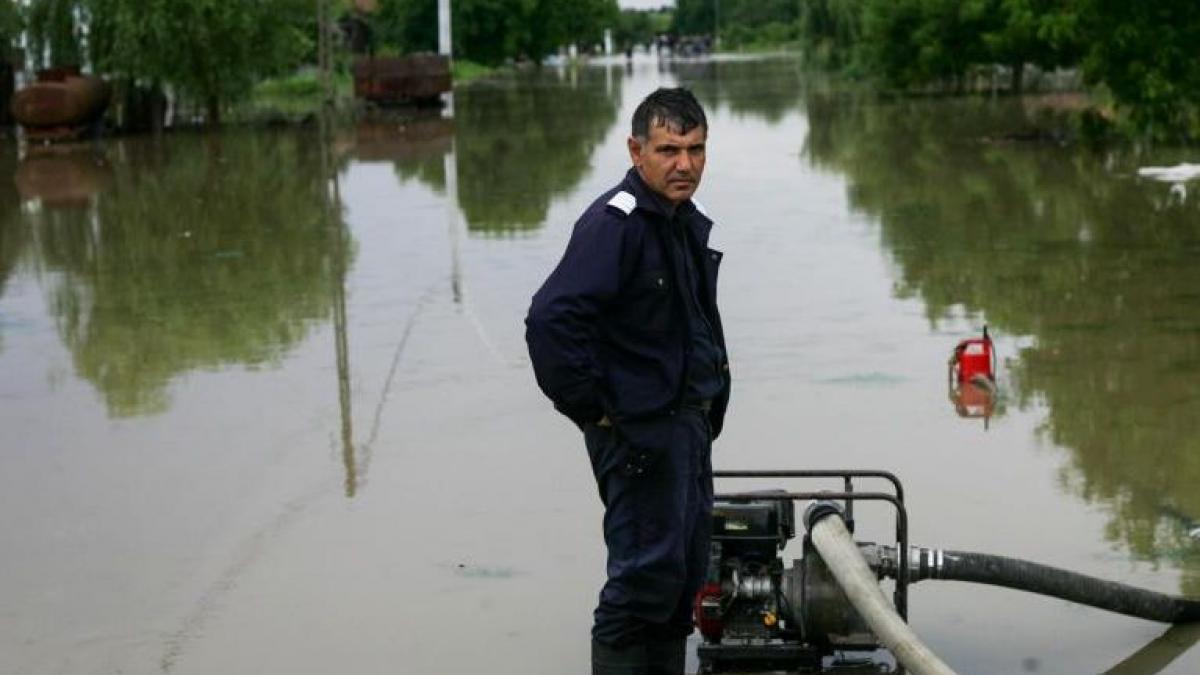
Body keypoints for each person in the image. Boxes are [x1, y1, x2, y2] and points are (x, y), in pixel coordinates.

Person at [525, 88, 731, 675]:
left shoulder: (675, 220)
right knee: (640, 583)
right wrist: (596, 410)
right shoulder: (614, 223)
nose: (684, 164)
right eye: (669, 150)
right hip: (639, 436)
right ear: (635, 150)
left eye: (695, 149)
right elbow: (549, 321)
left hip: (685, 429)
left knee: (680, 582)